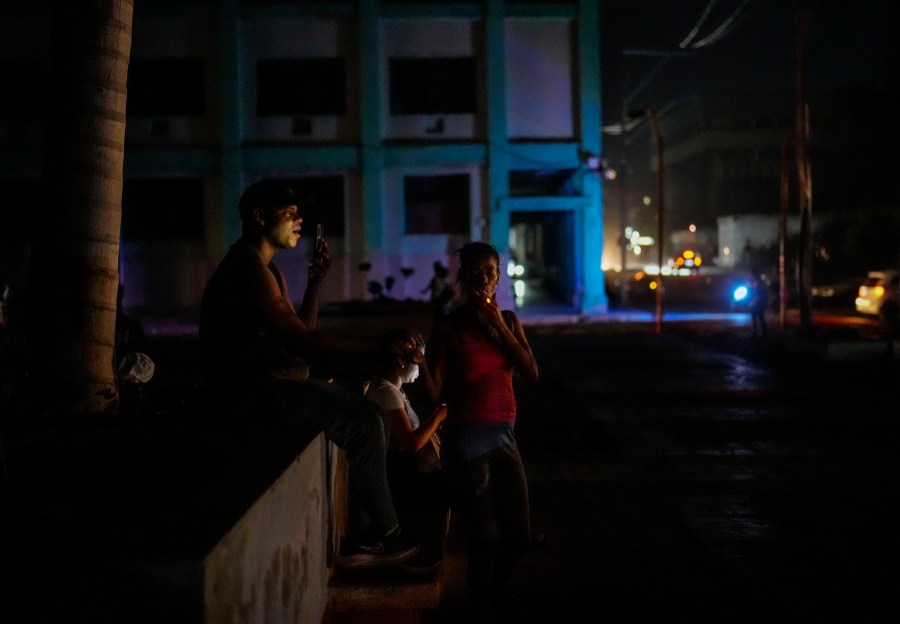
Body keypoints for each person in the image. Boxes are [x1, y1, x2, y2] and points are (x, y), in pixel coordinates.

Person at [199, 178, 421, 569]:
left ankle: (367, 533)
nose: (300, 219)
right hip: (252, 393)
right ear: (259, 216)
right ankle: (389, 535)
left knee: (375, 418)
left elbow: (301, 332)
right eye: (290, 212)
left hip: (275, 384)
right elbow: (303, 342)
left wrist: (315, 284)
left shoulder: (268, 270)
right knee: (366, 422)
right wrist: (376, 345)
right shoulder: (247, 269)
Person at [424, 241, 539, 622]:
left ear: (499, 276)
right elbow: (433, 389)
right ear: (463, 276)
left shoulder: (507, 320)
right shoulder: (448, 326)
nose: (484, 278)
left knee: (519, 535)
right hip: (466, 438)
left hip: (504, 436)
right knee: (484, 536)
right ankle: (479, 609)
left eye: (491, 271)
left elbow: (531, 371)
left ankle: (492, 590)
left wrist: (497, 327)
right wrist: (416, 362)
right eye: (475, 271)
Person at [365, 334, 450, 570]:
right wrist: (439, 416)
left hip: (407, 468)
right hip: (400, 471)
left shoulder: (396, 390)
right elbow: (412, 443)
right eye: (417, 361)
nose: (420, 368)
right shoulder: (385, 392)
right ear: (401, 361)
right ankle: (420, 557)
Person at [748, 268, 769, 339]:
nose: (750, 275)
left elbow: (758, 293)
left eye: (751, 274)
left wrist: (753, 301)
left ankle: (758, 332)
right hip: (758, 302)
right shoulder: (756, 282)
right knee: (759, 317)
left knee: (757, 317)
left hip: (758, 302)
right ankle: (761, 332)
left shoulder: (758, 282)